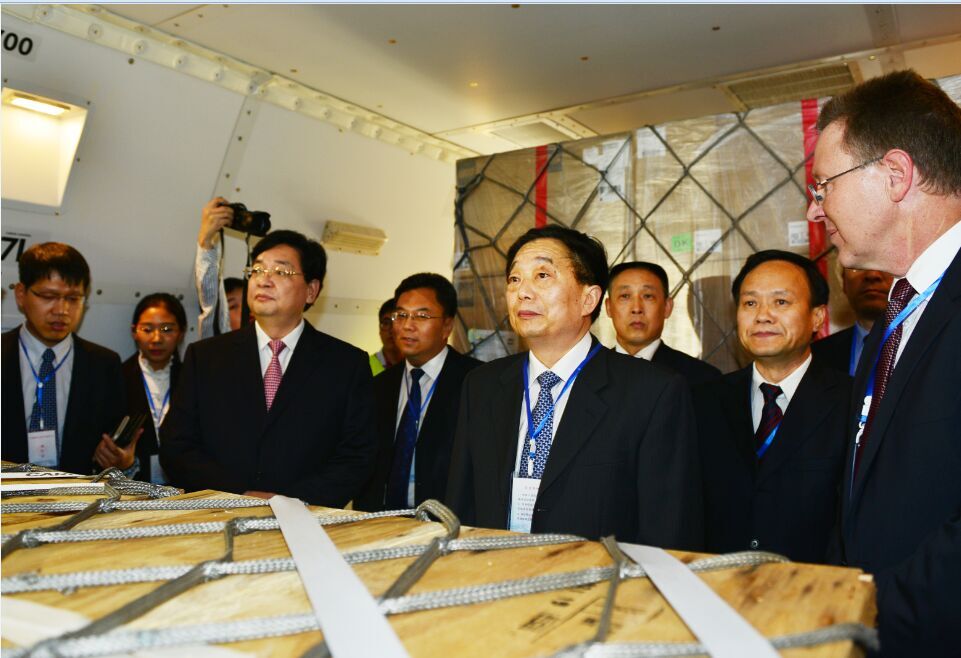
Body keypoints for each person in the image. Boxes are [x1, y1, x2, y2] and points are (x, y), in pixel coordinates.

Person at [806, 70, 961, 656]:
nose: (816, 209)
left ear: (896, 174)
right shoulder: (890, 321)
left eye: (824, 185)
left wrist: (864, 613)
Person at [446, 225, 703, 548]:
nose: (522, 292)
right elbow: (461, 507)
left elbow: (667, 529)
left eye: (542, 276)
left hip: (597, 576)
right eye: (514, 279)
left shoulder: (652, 392)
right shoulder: (482, 385)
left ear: (588, 299)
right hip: (495, 571)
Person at [161, 230, 377, 506]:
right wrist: (239, 494)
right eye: (257, 270)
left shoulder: (346, 364)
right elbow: (176, 446)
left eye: (281, 272)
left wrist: (291, 502)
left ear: (311, 290)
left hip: (307, 517)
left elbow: (357, 455)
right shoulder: (205, 357)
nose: (263, 280)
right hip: (218, 513)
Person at [693, 251, 850, 563]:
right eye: (750, 303)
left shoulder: (851, 401)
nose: (762, 316)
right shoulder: (702, 401)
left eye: (781, 302)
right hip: (720, 581)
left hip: (816, 582)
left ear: (817, 317)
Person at [355, 274, 481, 511]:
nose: (407, 326)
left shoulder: (475, 382)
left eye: (422, 316)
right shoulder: (379, 386)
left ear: (447, 325)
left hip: (447, 519)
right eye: (401, 315)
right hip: (382, 519)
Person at [1, 242, 129, 474]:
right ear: (21, 295)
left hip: (78, 494)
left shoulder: (104, 365)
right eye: (48, 296)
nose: (61, 310)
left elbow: (114, 453)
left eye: (73, 298)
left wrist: (123, 461)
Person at [605, 261, 720, 386]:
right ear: (609, 307)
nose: (637, 308)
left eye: (648, 296)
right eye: (625, 296)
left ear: (667, 307)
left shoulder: (702, 378)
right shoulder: (591, 371)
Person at [123, 293, 187, 485]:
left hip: (184, 487)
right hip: (133, 486)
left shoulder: (192, 378)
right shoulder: (118, 377)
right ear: (134, 332)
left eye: (167, 329)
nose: (157, 338)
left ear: (181, 333)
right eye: (147, 329)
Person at [812, 267, 893, 375]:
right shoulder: (815, 357)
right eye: (858, 266)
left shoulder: (917, 347)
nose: (872, 274)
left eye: (884, 264)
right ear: (844, 282)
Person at [196, 197, 246, 338]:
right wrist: (205, 241)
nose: (245, 312)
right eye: (232, 307)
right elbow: (210, 300)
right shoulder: (218, 346)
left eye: (248, 304)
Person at [369, 298, 401, 376]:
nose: (391, 330)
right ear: (379, 329)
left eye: (397, 323)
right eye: (386, 323)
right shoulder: (366, 366)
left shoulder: (415, 365)